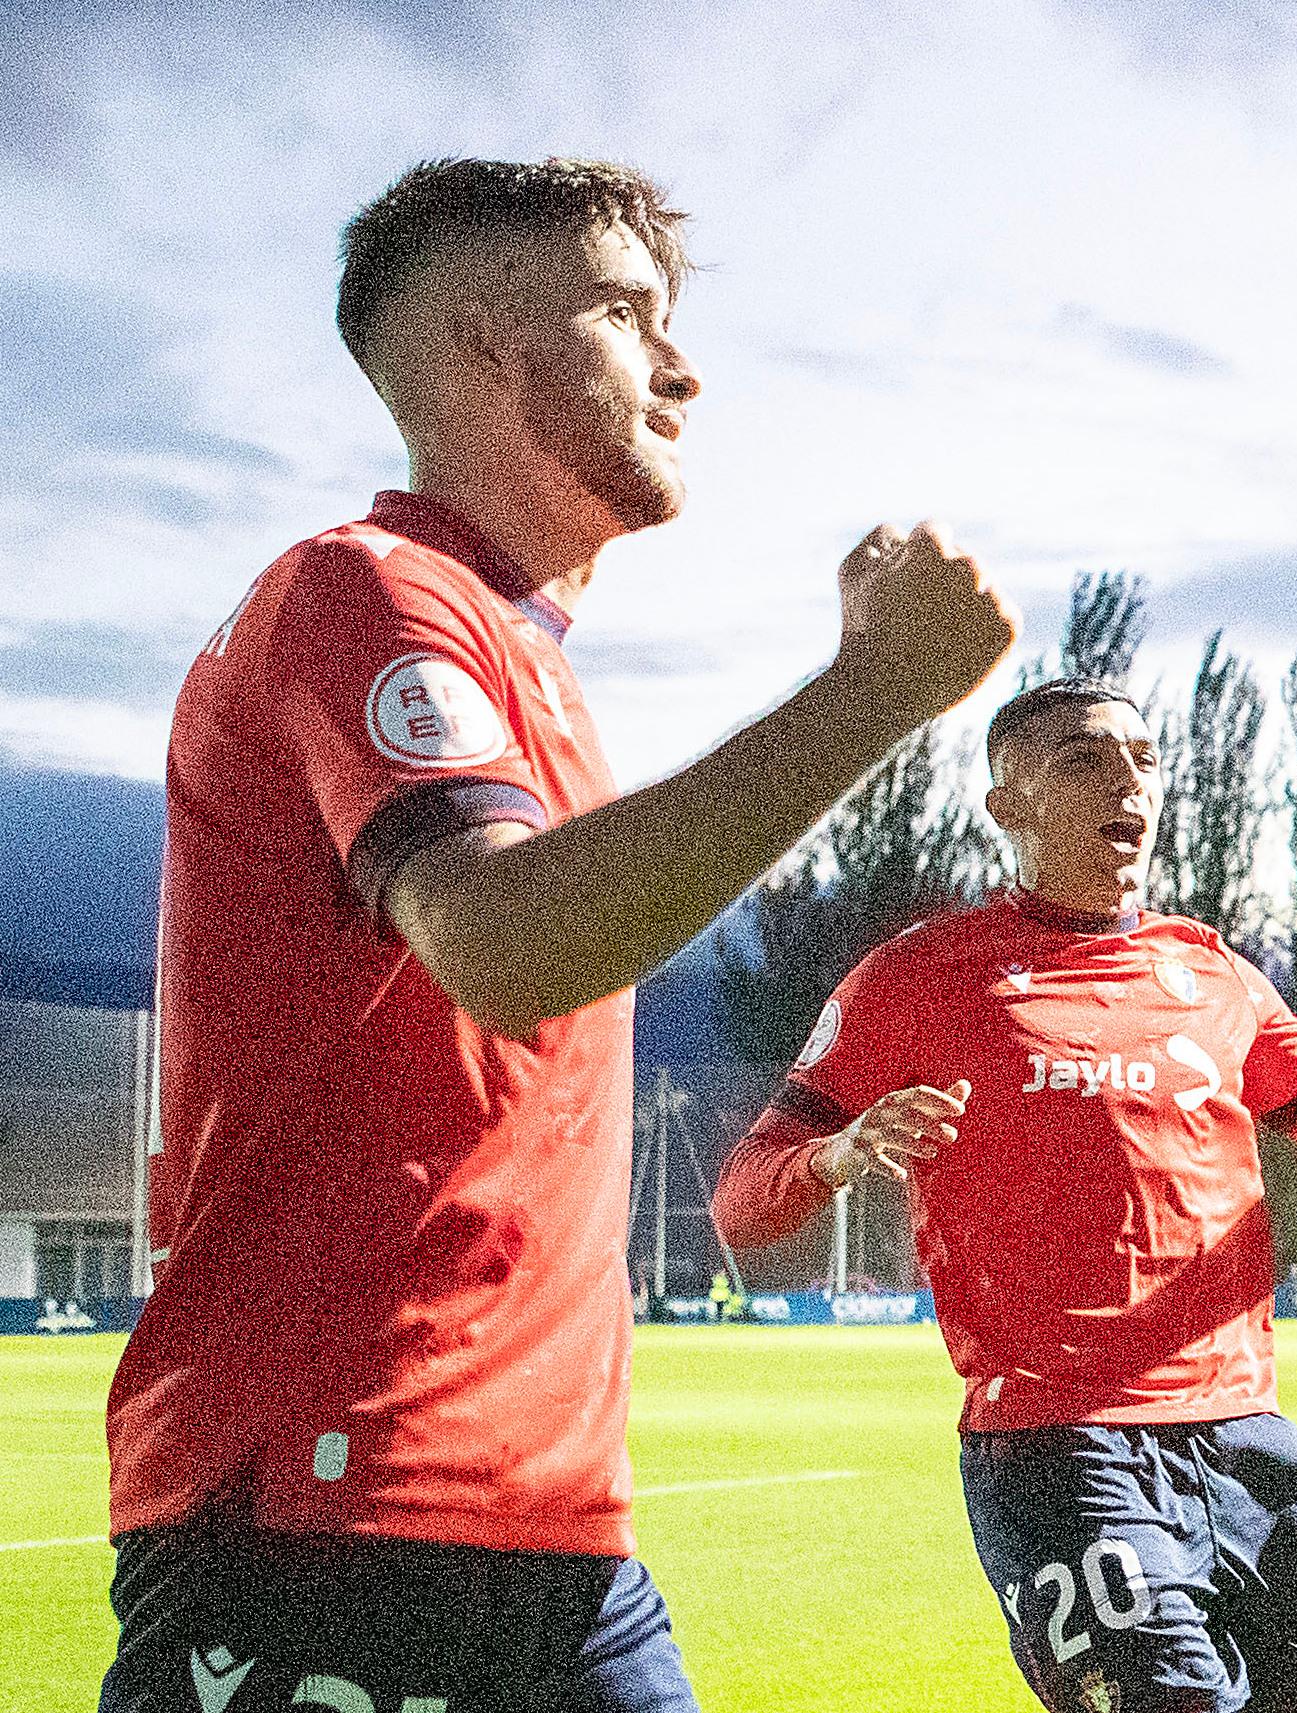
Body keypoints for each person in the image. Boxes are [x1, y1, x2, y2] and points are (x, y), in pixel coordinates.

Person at [105, 157, 1015, 1713]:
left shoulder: (522, 666)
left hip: (554, 1535)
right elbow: (506, 939)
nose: (684, 364)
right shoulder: (366, 590)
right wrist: (869, 694)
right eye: (623, 311)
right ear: (479, 344)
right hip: (337, 1507)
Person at [710, 678, 1297, 1713]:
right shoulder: (915, 979)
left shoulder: (1213, 976)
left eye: (1144, 758)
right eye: (1083, 759)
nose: (1127, 782)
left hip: (1249, 1442)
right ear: (1008, 804)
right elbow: (739, 1201)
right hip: (1061, 1451)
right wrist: (837, 1153)